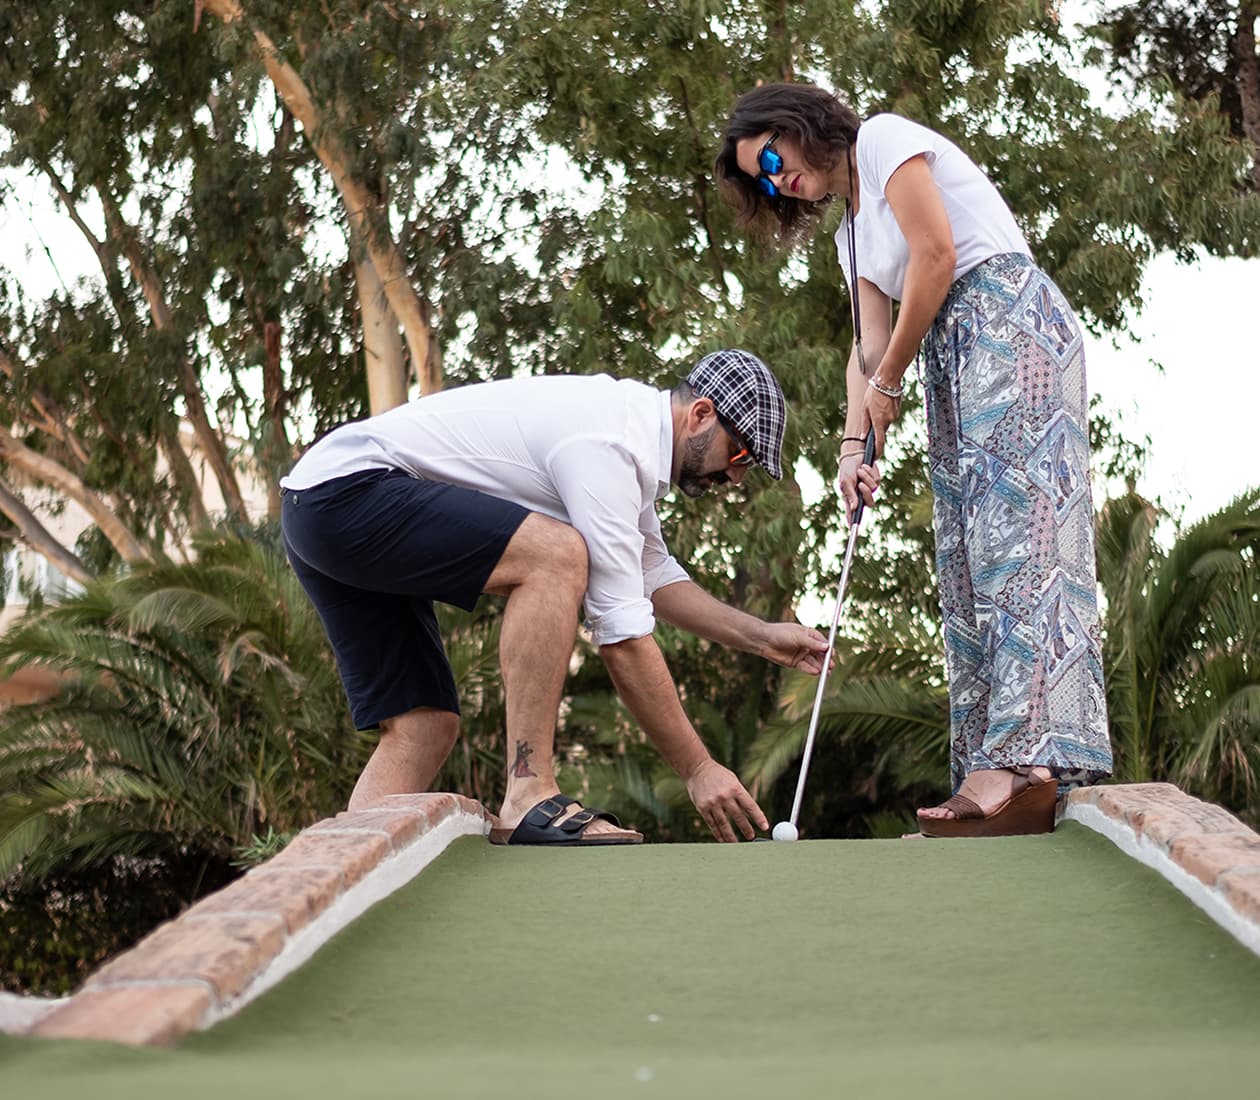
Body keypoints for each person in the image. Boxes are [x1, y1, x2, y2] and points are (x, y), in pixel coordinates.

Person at [715, 83, 1112, 837]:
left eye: (770, 158)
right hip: (949, 355)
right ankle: (993, 764)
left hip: (1008, 323)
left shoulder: (885, 139)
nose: (776, 179)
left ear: (795, 126)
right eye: (762, 179)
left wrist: (892, 377)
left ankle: (1027, 763)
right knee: (966, 550)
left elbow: (937, 255)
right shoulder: (851, 235)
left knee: (1018, 541)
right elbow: (867, 351)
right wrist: (852, 448)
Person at [280, 349, 830, 845]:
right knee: (557, 555)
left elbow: (652, 574)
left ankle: (345, 870)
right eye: (738, 457)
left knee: (425, 725)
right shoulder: (610, 445)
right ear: (702, 415)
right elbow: (622, 637)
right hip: (349, 492)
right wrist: (698, 768)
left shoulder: (628, 443)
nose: (735, 479)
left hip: (316, 504)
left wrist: (762, 637)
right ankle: (528, 793)